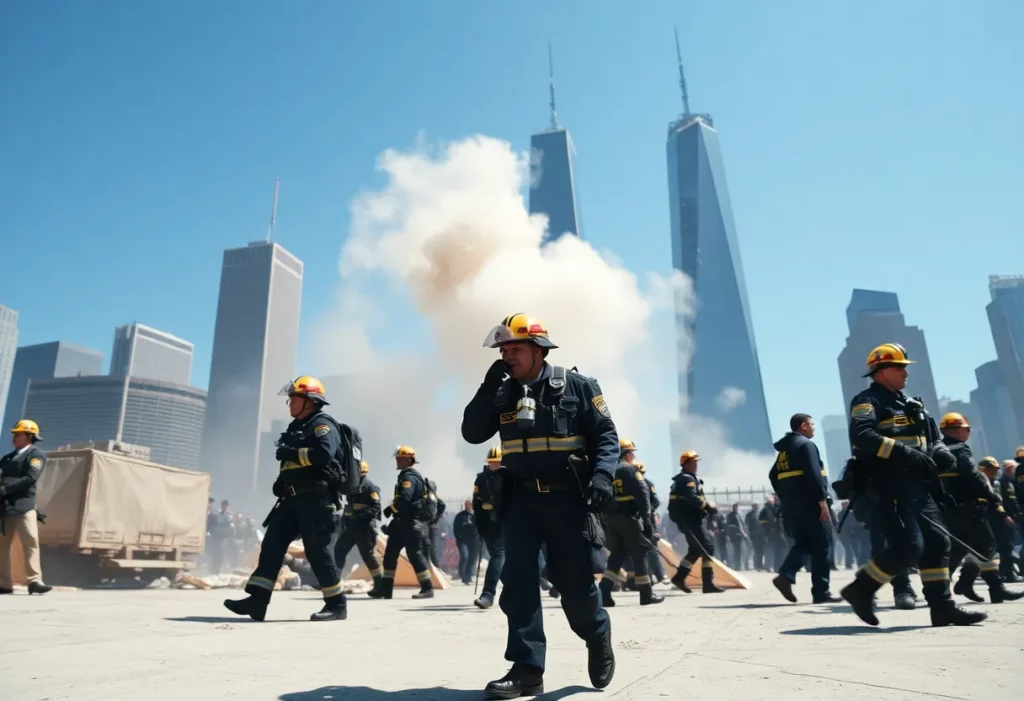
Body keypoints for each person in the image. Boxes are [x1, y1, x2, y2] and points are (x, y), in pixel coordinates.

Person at [462, 313, 617, 699]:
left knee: (575, 588)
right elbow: (472, 433)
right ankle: (528, 669)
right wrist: (487, 387)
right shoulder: (502, 392)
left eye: (515, 349)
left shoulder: (578, 386)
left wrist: (602, 477)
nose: (507, 356)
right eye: (503, 350)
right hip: (520, 501)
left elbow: (606, 436)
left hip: (568, 500)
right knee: (518, 585)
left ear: (538, 350)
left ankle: (597, 633)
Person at [838, 343, 985, 627]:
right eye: (899, 367)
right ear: (880, 371)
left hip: (920, 485)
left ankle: (942, 607)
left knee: (938, 542)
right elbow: (862, 435)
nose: (905, 373)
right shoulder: (867, 401)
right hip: (889, 484)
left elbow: (934, 437)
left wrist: (940, 451)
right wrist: (903, 453)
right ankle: (861, 589)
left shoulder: (911, 404)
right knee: (909, 546)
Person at [225, 376, 353, 622]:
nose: (289, 404)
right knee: (271, 546)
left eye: (293, 399)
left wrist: (293, 452)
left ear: (309, 401)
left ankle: (337, 604)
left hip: (316, 501)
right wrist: (283, 481)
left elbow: (324, 454)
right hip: (291, 501)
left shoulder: (323, 424)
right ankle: (257, 601)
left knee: (318, 553)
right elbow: (294, 463)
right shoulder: (297, 427)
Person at [936, 414, 1022, 604]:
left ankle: (943, 588)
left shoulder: (938, 449)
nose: (968, 432)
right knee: (988, 545)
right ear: (958, 430)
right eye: (967, 429)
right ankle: (994, 589)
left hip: (949, 509)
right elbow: (972, 475)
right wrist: (989, 495)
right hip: (968, 507)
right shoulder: (960, 449)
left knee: (959, 548)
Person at [769, 413, 838, 603]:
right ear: (803, 426)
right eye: (811, 423)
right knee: (823, 544)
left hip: (792, 505)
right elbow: (814, 475)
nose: (814, 427)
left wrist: (785, 496)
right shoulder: (806, 445)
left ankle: (786, 576)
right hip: (810, 503)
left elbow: (773, 475)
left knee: (805, 543)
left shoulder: (785, 450)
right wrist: (822, 501)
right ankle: (821, 592)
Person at [599, 439, 663, 607]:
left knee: (617, 554)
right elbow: (643, 496)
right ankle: (646, 594)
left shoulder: (607, 470)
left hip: (610, 520)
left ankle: (604, 591)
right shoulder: (631, 470)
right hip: (629, 519)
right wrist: (647, 520)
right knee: (640, 552)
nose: (633, 456)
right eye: (632, 453)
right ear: (626, 454)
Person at [369, 446, 435, 600]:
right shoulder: (406, 476)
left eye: (400, 458)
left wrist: (390, 508)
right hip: (401, 525)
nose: (397, 461)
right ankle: (385, 589)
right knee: (390, 556)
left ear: (408, 460)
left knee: (415, 555)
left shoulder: (409, 477)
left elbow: (405, 498)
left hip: (410, 524)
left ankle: (427, 588)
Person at [0, 420, 52, 595]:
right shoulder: (6, 458)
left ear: (29, 437)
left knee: (30, 543)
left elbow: (30, 478)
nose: (14, 437)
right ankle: (4, 584)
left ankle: (34, 581)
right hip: (5, 508)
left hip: (24, 507)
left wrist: (5, 488)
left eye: (18, 434)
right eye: (14, 434)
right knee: (2, 547)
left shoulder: (36, 455)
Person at [667, 451, 724, 594]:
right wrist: (708, 506)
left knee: (695, 549)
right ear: (685, 464)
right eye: (693, 462)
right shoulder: (687, 479)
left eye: (696, 462)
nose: (696, 465)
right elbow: (692, 497)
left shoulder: (684, 479)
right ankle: (708, 584)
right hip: (691, 520)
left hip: (690, 520)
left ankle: (680, 577)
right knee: (707, 548)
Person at [334, 460, 383, 589]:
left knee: (368, 556)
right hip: (351, 527)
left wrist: (358, 517)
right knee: (339, 551)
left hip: (364, 528)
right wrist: (345, 519)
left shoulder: (370, 487)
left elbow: (375, 508)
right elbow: (349, 507)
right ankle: (334, 582)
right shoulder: (352, 486)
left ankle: (380, 584)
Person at [473, 446, 506, 609]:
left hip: (505, 523)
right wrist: (479, 526)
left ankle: (489, 594)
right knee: (499, 557)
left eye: (498, 462)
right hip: (489, 523)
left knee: (500, 557)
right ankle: (493, 593)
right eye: (492, 463)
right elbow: (476, 504)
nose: (495, 465)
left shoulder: (509, 477)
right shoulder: (480, 479)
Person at [999, 459, 1023, 582]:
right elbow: (1004, 501)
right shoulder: (1003, 482)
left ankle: (1007, 572)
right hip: (1007, 518)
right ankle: (1007, 573)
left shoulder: (1010, 482)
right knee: (1008, 546)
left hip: (1012, 517)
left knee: (1010, 545)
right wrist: (1006, 515)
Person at [453, 500, 477, 585]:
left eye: (469, 504)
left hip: (473, 540)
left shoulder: (475, 515)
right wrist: (458, 537)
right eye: (466, 504)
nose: (467, 506)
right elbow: (456, 527)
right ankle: (462, 575)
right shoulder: (460, 516)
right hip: (462, 540)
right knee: (465, 556)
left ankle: (468, 576)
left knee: (472, 559)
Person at [746, 502, 765, 571]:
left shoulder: (760, 514)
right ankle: (757, 565)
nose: (756, 507)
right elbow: (747, 526)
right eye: (755, 506)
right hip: (754, 534)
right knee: (757, 550)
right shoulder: (749, 515)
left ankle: (760, 564)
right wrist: (748, 534)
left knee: (761, 550)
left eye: (757, 505)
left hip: (762, 534)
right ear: (753, 506)